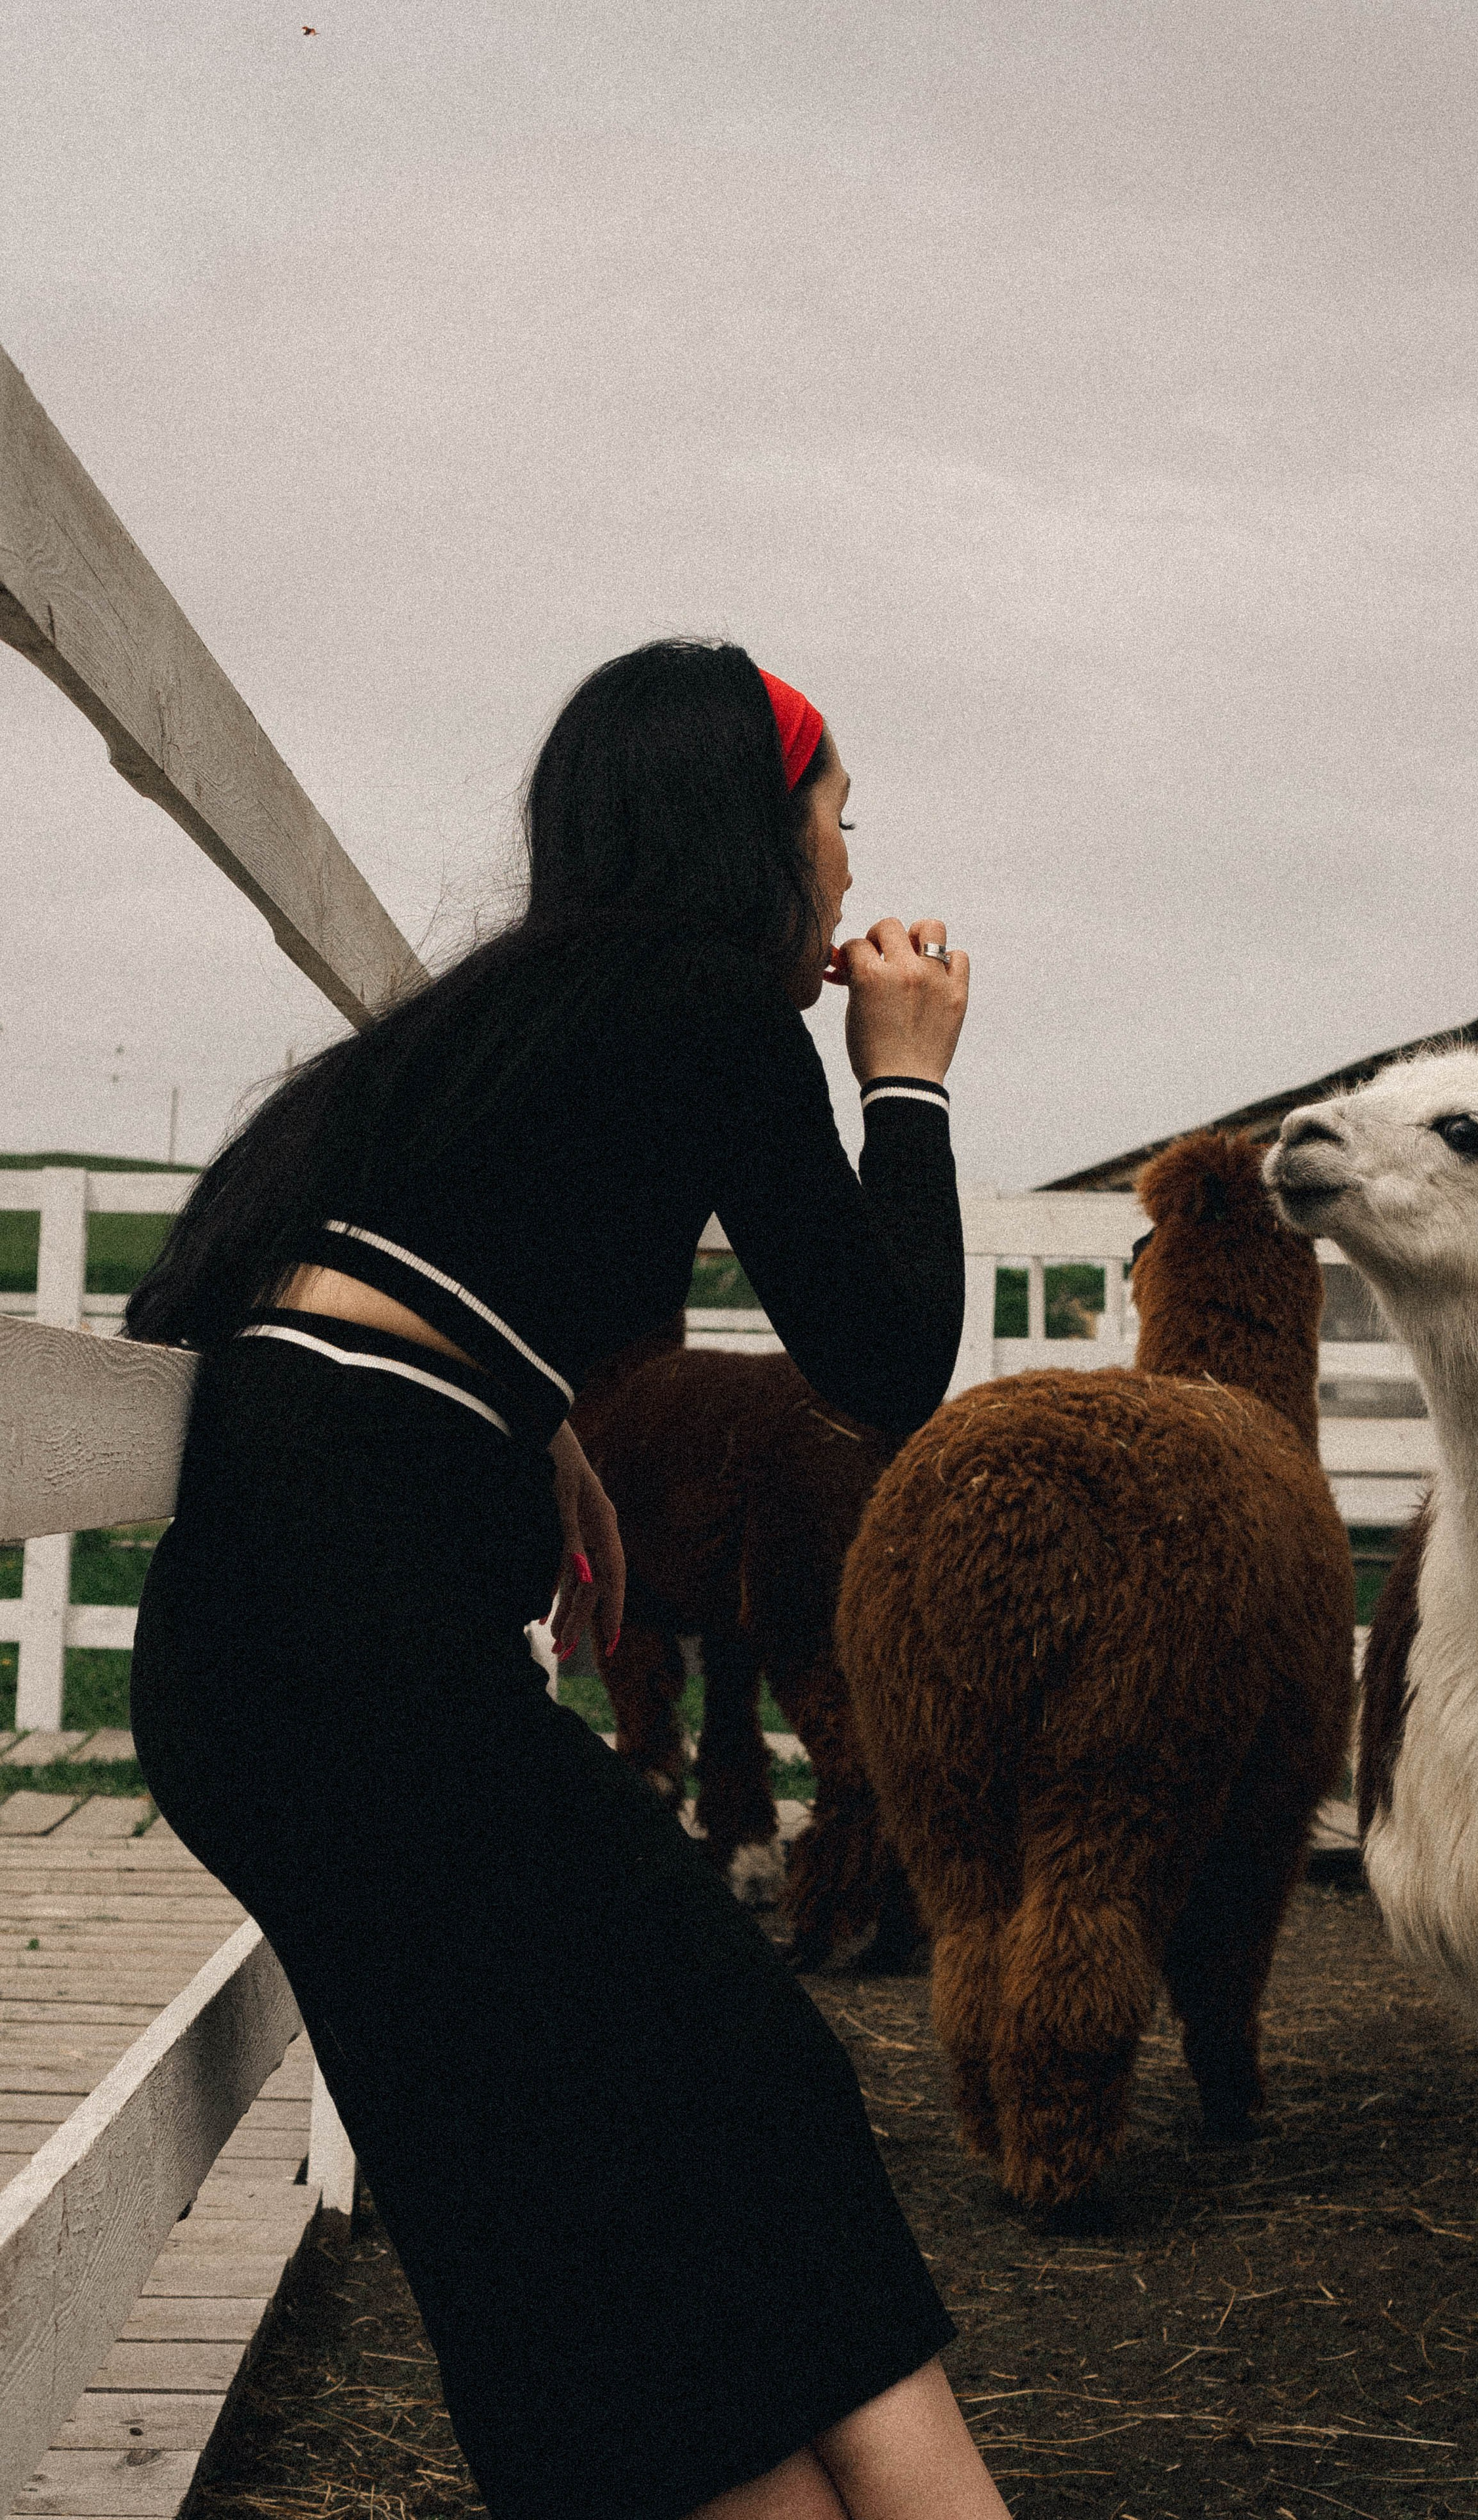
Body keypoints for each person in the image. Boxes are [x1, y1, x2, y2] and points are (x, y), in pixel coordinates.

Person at [125, 640, 1007, 2520]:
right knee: (731, 2090)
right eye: (841, 822)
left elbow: (217, 1299)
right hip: (364, 1672)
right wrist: (908, 1080)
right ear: (759, 833)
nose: (853, 873)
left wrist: (525, 1431)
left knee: (542, 2174)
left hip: (261, 1668)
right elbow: (882, 1359)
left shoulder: (492, 1032)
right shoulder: (702, 1007)